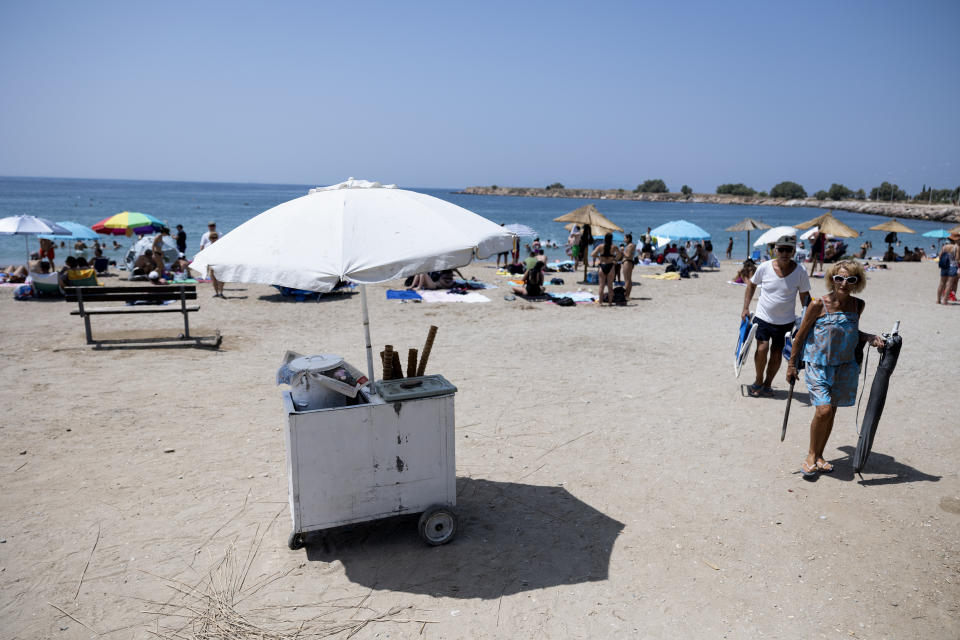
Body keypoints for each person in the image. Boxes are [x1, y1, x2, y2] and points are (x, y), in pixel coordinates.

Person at [786, 260, 885, 477]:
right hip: (818, 365)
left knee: (832, 413)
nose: (844, 283)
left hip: (845, 366)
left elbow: (849, 332)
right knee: (824, 410)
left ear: (857, 282)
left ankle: (820, 456)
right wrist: (792, 365)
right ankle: (811, 455)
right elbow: (800, 336)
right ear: (832, 279)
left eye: (851, 279)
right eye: (839, 278)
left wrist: (869, 337)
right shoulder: (817, 305)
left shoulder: (858, 305)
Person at [741, 235, 812, 397]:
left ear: (794, 251)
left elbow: (804, 296)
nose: (784, 253)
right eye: (781, 249)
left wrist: (807, 316)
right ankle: (758, 380)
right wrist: (745, 308)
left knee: (776, 353)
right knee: (762, 348)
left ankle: (767, 384)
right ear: (775, 250)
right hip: (763, 317)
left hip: (785, 321)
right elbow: (751, 284)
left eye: (789, 250)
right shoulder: (764, 267)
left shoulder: (800, 271)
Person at [591, 232, 622, 305]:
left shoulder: (600, 246)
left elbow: (592, 254)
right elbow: (619, 255)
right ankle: (610, 303)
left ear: (604, 239)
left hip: (602, 265)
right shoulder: (614, 247)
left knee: (601, 286)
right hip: (610, 266)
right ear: (611, 239)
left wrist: (599, 257)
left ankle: (600, 303)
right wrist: (615, 260)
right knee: (610, 286)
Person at [937, 232, 959, 304]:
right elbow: (957, 258)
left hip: (944, 266)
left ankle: (938, 300)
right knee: (949, 284)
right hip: (952, 266)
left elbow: (940, 256)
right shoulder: (956, 247)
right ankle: (945, 300)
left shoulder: (944, 247)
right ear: (956, 240)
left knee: (941, 283)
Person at [206, 232, 225, 296]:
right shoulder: (207, 245)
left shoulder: (220, 244)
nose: (214, 239)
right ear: (210, 238)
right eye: (212, 238)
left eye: (215, 237)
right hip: (211, 263)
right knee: (213, 279)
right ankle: (216, 293)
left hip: (220, 263)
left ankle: (221, 292)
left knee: (221, 279)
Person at [621, 233, 637, 298]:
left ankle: (626, 295)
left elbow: (628, 256)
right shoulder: (631, 245)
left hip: (627, 262)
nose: (624, 239)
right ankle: (627, 295)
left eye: (625, 238)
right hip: (629, 262)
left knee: (627, 280)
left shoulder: (630, 246)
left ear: (628, 239)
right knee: (628, 279)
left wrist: (622, 251)